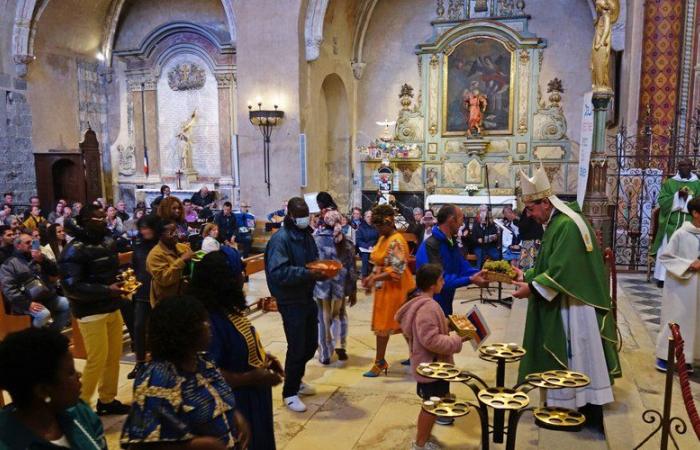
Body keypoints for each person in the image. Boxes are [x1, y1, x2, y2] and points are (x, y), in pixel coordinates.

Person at [512, 164, 620, 424]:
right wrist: (526, 276)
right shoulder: (558, 221)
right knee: (574, 354)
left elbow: (563, 272)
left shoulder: (567, 226)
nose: (531, 215)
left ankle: (579, 405)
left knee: (576, 352)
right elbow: (551, 263)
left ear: (546, 203)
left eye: (532, 209)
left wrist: (532, 288)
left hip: (575, 305)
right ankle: (566, 402)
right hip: (567, 297)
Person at [120, 295, 250, 450]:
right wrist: (192, 446)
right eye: (201, 322)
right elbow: (141, 445)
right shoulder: (157, 380)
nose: (208, 325)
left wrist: (233, 415)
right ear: (182, 331)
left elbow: (216, 398)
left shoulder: (203, 362)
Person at [192, 252, 283, 450]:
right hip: (236, 402)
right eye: (239, 271)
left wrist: (262, 357)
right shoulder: (209, 321)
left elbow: (238, 343)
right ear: (225, 279)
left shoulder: (226, 307)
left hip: (252, 397)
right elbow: (205, 372)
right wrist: (251, 378)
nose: (243, 276)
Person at [58, 204, 130, 415]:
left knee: (113, 357)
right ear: (85, 220)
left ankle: (107, 400)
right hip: (90, 311)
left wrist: (123, 282)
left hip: (111, 306)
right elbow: (72, 286)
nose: (102, 222)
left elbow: (110, 271)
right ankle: (79, 406)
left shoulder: (108, 241)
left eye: (103, 218)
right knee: (97, 360)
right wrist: (108, 289)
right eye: (97, 219)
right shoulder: (73, 249)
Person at [264, 197, 328, 412]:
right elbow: (278, 272)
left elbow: (313, 258)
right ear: (290, 215)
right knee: (297, 345)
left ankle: (296, 378)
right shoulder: (280, 240)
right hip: (290, 299)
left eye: (305, 215)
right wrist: (308, 273)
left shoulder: (305, 234)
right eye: (299, 215)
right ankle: (289, 392)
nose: (303, 219)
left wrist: (321, 270)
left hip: (305, 295)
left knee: (310, 344)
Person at [396, 264, 470, 450]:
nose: (443, 282)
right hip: (432, 367)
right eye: (441, 280)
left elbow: (430, 329)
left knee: (435, 403)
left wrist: (449, 325)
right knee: (430, 407)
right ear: (432, 285)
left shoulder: (423, 303)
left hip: (432, 365)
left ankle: (425, 438)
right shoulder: (427, 307)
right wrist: (457, 341)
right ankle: (420, 444)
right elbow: (430, 340)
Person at [0, 328, 107, 449]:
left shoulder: (80, 412)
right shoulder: (7, 442)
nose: (79, 375)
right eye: (71, 372)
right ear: (43, 390)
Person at [362, 204, 416, 377]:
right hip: (384, 289)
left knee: (397, 325)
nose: (378, 230)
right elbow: (379, 261)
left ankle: (384, 361)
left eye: (379, 227)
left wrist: (374, 279)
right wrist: (372, 276)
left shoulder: (397, 240)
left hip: (397, 289)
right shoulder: (383, 237)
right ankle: (389, 359)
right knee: (386, 325)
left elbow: (397, 270)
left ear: (389, 222)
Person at [654, 196, 700, 373]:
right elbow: (666, 257)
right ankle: (664, 357)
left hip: (697, 287)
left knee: (695, 320)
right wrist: (689, 265)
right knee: (676, 319)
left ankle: (688, 358)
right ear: (695, 213)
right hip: (681, 286)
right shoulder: (681, 233)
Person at [416, 205, 486, 316]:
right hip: (431, 305)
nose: (461, 224)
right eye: (460, 220)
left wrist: (483, 273)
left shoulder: (450, 241)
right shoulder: (431, 245)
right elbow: (439, 280)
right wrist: (470, 279)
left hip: (446, 301)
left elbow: (462, 266)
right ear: (451, 220)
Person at [0, 232, 70, 331]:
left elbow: (55, 272)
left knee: (69, 304)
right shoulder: (9, 265)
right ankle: (33, 337)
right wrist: (27, 304)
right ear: (18, 246)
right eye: (28, 242)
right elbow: (9, 290)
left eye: (33, 242)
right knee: (44, 314)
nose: (31, 244)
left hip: (47, 297)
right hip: (26, 302)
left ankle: (53, 334)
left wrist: (43, 261)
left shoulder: (39, 257)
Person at [313, 210, 358, 365]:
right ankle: (340, 346)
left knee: (322, 317)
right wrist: (353, 291)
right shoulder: (347, 242)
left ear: (323, 223)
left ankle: (325, 353)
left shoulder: (315, 240)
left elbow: (310, 263)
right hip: (339, 285)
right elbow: (352, 268)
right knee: (338, 315)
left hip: (321, 285)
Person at [652, 159, 700, 285]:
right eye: (681, 166)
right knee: (667, 247)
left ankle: (688, 274)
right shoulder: (670, 183)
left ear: (691, 167)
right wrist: (676, 197)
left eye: (687, 166)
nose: (684, 168)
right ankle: (663, 277)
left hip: (691, 223)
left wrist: (688, 198)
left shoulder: (697, 184)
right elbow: (662, 201)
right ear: (678, 168)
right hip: (671, 223)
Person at [127, 214, 159, 380]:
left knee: (156, 328)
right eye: (142, 228)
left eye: (148, 227)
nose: (145, 231)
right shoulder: (138, 244)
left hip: (158, 291)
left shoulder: (161, 244)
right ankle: (140, 362)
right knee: (138, 327)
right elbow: (134, 265)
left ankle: (157, 362)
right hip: (141, 292)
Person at [146, 218, 193, 306]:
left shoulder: (183, 248)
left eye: (176, 231)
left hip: (186, 296)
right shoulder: (154, 255)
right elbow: (164, 279)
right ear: (160, 235)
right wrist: (181, 260)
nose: (176, 235)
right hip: (167, 301)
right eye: (171, 233)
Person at [356, 209, 379, 278]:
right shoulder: (361, 228)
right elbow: (359, 241)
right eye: (368, 216)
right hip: (364, 248)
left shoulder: (376, 227)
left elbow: (378, 239)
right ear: (364, 217)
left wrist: (375, 246)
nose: (370, 218)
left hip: (375, 247)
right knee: (365, 255)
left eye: (371, 216)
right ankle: (364, 274)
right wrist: (367, 247)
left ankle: (377, 274)